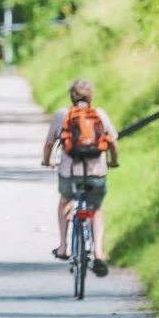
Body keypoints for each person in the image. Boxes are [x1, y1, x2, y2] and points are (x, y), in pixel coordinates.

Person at [41, 79, 119, 277]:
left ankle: (63, 246)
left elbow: (49, 143)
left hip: (69, 174)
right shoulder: (99, 115)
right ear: (91, 96)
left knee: (65, 202)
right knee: (96, 210)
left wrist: (46, 161)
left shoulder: (62, 115)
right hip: (96, 174)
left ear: (71, 96)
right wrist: (113, 161)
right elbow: (112, 141)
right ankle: (99, 253)